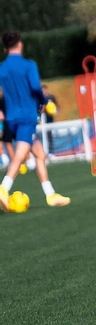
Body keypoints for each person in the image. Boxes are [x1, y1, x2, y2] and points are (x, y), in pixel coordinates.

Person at [0, 32, 69, 209]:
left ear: (5, 49)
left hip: (11, 119)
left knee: (40, 154)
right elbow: (36, 88)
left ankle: (51, 195)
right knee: (20, 154)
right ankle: (3, 187)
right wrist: (44, 102)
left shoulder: (1, 68)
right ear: (20, 45)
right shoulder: (29, 65)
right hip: (26, 118)